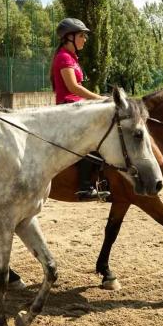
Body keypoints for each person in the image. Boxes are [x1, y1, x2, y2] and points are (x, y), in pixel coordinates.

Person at [50, 17, 109, 201]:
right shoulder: (64, 58)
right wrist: (100, 99)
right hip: (69, 108)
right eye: (82, 35)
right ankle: (85, 187)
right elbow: (73, 87)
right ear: (69, 38)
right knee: (90, 140)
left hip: (78, 106)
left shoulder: (72, 58)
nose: (85, 39)